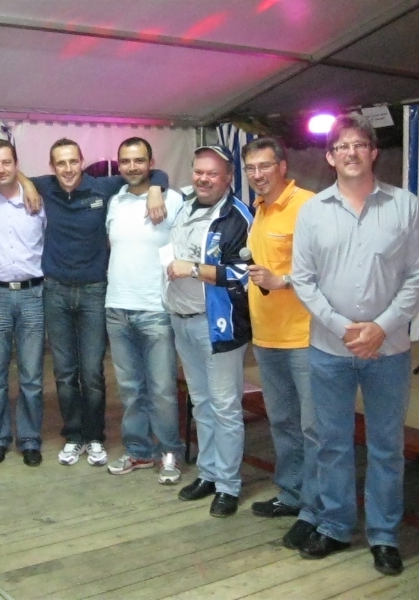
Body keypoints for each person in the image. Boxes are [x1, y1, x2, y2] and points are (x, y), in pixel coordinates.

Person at [292, 113, 419, 576]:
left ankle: (384, 536)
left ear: (373, 152)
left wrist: (381, 328)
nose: (350, 152)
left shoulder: (404, 205)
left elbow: (418, 274)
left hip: (387, 351)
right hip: (329, 350)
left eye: (359, 145)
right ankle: (334, 525)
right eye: (341, 147)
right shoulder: (313, 211)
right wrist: (344, 329)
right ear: (330, 157)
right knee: (332, 443)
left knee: (386, 447)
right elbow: (304, 280)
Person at [30, 138, 168, 467]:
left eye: (73, 161)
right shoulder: (45, 187)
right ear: (51, 167)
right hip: (55, 290)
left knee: (92, 372)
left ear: (82, 161)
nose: (67, 169)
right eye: (60, 163)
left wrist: (155, 190)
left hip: (94, 291)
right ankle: (73, 436)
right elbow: (7, 177)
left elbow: (156, 172)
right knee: (64, 372)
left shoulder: (102, 187)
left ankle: (94, 437)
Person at [164, 145, 253, 518]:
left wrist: (194, 269)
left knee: (225, 406)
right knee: (200, 402)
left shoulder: (239, 217)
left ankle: (229, 485)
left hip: (217, 324)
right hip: (181, 318)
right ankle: (209, 473)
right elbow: (155, 183)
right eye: (198, 171)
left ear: (229, 177)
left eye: (212, 173)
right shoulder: (184, 204)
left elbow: (246, 274)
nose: (203, 179)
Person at [241, 137, 319, 549]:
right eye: (251, 168)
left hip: (304, 337)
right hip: (267, 336)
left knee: (313, 428)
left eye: (265, 166)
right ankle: (291, 495)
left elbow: (324, 268)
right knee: (284, 422)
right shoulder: (259, 208)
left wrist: (282, 281)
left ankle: (315, 511)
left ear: (283, 166)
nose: (257, 175)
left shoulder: (308, 206)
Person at [103, 137, 185, 484]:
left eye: (139, 160)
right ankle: (138, 450)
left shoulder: (172, 199)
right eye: (125, 161)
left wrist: (157, 189)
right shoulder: (115, 201)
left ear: (152, 162)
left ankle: (169, 452)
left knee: (162, 390)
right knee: (130, 389)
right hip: (117, 308)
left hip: (156, 309)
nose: (132, 167)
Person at [0, 139, 46, 467]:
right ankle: (0, 438)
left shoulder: (38, 200)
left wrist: (27, 182)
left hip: (33, 294)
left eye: (7, 162)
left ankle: (29, 439)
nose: (1, 169)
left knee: (32, 375)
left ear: (17, 164)